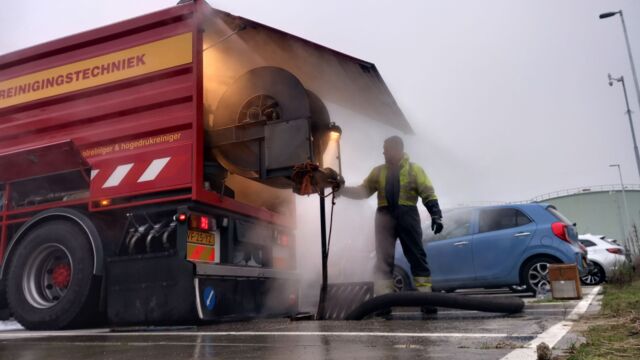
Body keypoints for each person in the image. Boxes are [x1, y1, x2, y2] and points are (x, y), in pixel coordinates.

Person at [339, 136, 443, 301]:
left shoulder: (414, 170)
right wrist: (342, 190)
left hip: (408, 217)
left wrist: (436, 215)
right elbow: (363, 191)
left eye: (386, 149)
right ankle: (383, 303)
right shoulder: (378, 171)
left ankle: (427, 300)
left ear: (397, 150)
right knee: (383, 262)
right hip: (384, 219)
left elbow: (428, 193)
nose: (383, 152)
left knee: (417, 258)